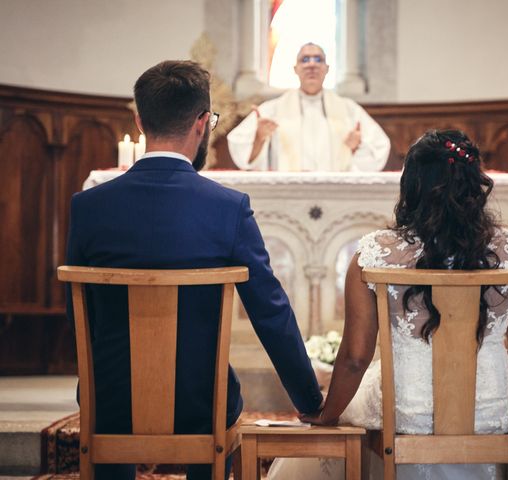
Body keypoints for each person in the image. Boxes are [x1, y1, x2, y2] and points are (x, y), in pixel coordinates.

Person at [268, 130, 508, 479]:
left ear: (411, 186)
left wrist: (328, 414)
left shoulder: (376, 254)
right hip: (494, 408)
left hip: (406, 412)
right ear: (474, 187)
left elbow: (354, 357)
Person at [64, 60, 323, 480]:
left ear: (139, 120)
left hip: (108, 401)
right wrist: (310, 401)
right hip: (203, 403)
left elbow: (75, 317)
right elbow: (270, 312)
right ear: (203, 123)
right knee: (217, 394)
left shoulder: (88, 207)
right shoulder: (228, 208)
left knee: (115, 396)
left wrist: (102, 388)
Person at [227, 42, 390, 172]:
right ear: (295, 69)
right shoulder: (272, 110)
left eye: (318, 59)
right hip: (289, 193)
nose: (311, 64)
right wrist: (259, 138)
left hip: (335, 192)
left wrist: (357, 148)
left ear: (327, 69)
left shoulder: (349, 110)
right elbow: (242, 153)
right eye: (304, 59)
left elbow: (379, 147)